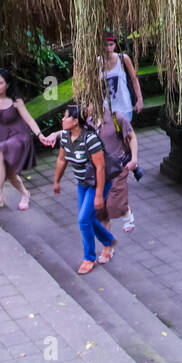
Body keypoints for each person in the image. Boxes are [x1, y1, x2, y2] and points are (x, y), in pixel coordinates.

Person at [51, 103, 116, 274]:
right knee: (87, 219)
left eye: (66, 116)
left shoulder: (90, 139)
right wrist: (56, 181)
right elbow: (61, 160)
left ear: (75, 122)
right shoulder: (65, 137)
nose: (63, 119)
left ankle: (89, 258)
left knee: (83, 220)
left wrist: (99, 195)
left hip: (97, 183)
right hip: (83, 183)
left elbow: (100, 168)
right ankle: (109, 240)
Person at [0, 68, 55, 211]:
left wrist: (41, 135)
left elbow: (28, 120)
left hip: (19, 137)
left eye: (0, 83)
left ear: (8, 85)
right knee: (9, 171)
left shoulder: (15, 101)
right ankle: (25, 194)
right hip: (3, 138)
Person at [101, 35, 143, 231]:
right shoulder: (97, 62)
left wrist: (139, 100)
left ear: (115, 45)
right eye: (106, 45)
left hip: (123, 106)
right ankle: (129, 165)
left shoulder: (123, 58)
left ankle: (129, 164)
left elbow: (133, 79)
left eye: (111, 44)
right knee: (113, 143)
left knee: (125, 140)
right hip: (107, 109)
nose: (109, 48)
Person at [94, 102, 138, 231]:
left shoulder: (116, 118)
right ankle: (108, 247)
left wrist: (134, 159)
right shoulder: (86, 120)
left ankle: (125, 211)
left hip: (117, 167)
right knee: (101, 211)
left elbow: (132, 137)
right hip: (97, 170)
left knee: (113, 205)